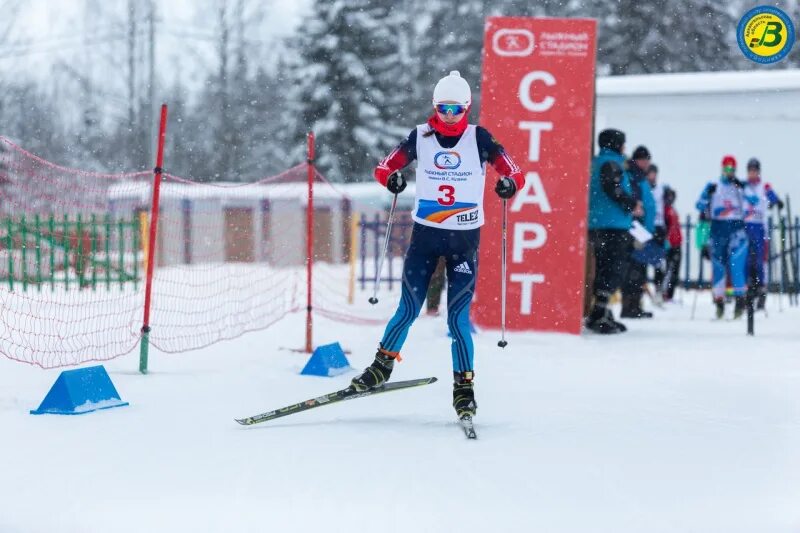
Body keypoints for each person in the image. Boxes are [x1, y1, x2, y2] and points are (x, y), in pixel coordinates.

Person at [351, 71, 524, 422]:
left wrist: (508, 184)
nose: (449, 115)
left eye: (456, 109)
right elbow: (384, 167)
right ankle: (381, 368)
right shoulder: (421, 136)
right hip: (425, 238)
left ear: (467, 108)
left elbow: (514, 172)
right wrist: (392, 178)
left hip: (463, 240)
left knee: (458, 319)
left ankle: (464, 389)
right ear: (435, 106)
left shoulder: (480, 138)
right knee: (408, 309)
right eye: (443, 108)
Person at [586, 128, 642, 334]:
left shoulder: (599, 162)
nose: (624, 147)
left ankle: (603, 311)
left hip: (601, 223)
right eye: (622, 143)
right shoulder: (611, 164)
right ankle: (599, 313)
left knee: (605, 267)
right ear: (615, 144)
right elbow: (613, 189)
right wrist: (631, 204)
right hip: (612, 225)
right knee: (613, 269)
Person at [695, 155, 748, 319]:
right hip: (718, 231)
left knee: (736, 267)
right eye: (727, 168)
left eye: (732, 169)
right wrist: (707, 195)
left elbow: (754, 205)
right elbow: (699, 205)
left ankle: (740, 304)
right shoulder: (713, 186)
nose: (729, 172)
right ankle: (719, 305)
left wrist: (744, 189)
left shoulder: (740, 187)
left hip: (737, 231)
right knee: (718, 268)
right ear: (722, 168)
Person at [742, 157, 783, 310]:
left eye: (755, 171)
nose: (753, 173)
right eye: (750, 171)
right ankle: (747, 291)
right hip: (746, 226)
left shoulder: (764, 187)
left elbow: (772, 196)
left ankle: (761, 291)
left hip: (759, 227)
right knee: (746, 261)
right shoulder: (743, 186)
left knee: (759, 261)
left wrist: (776, 201)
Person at [621, 145, 656, 319]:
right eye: (644, 159)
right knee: (634, 269)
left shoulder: (638, 175)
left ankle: (634, 305)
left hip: (641, 229)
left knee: (638, 269)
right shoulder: (633, 176)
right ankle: (630, 306)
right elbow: (637, 202)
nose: (646, 163)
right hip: (636, 229)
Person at [648, 164, 667, 302]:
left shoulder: (661, 189)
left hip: (659, 227)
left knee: (659, 262)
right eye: (650, 173)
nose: (652, 176)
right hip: (648, 227)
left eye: (654, 174)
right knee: (642, 260)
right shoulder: (644, 188)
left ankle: (658, 290)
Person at [662, 187, 682, 301]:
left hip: (676, 243)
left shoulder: (672, 209)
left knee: (674, 271)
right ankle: (665, 293)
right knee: (669, 270)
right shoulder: (665, 210)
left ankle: (670, 294)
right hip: (670, 244)